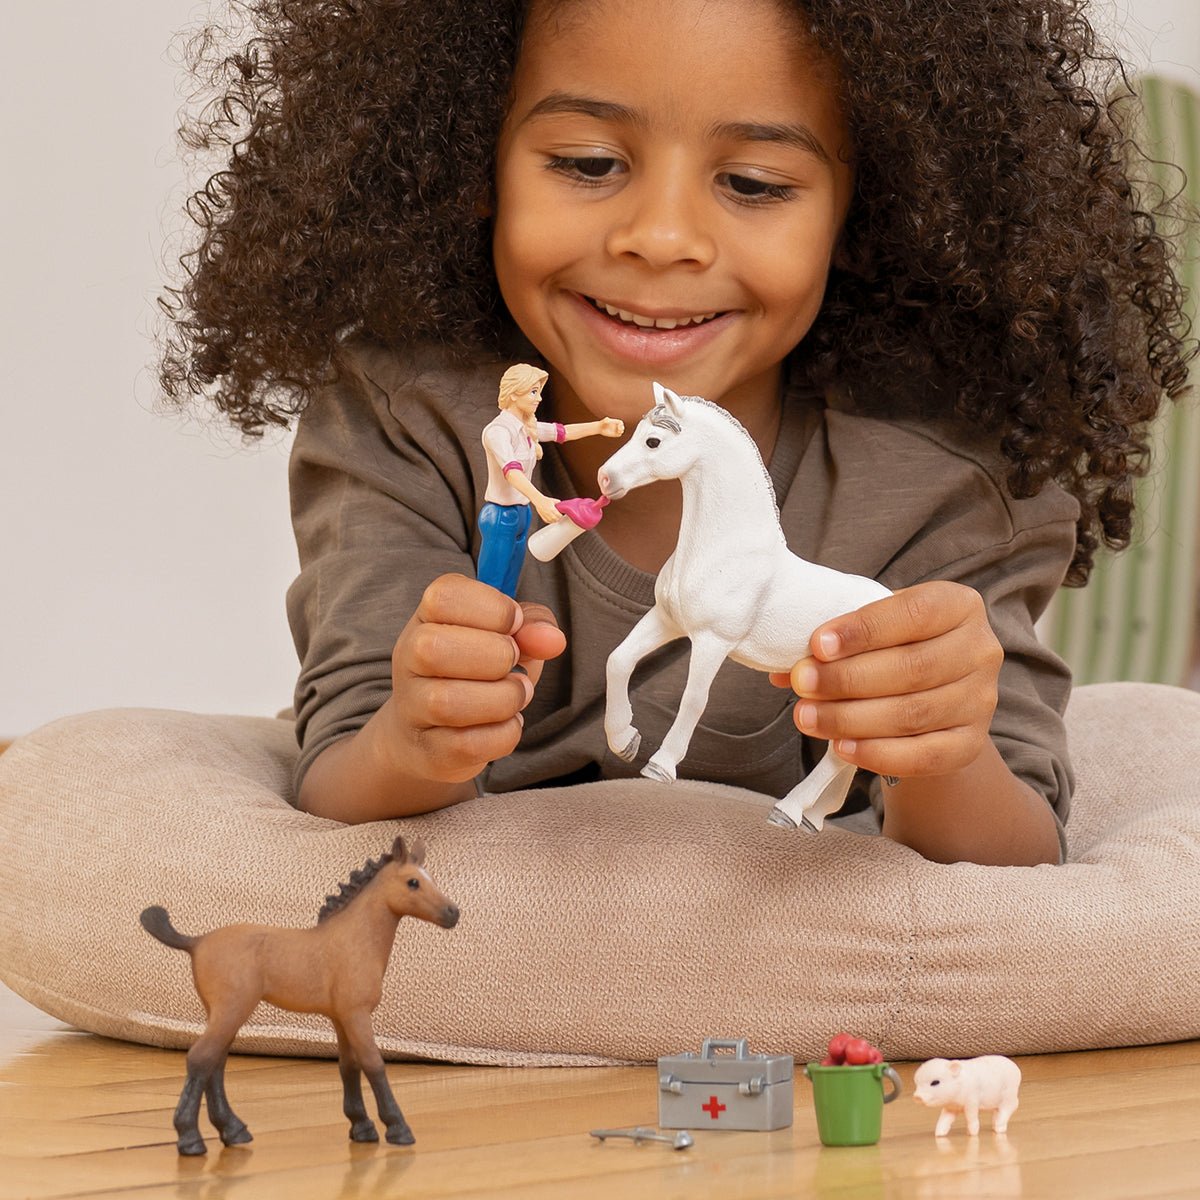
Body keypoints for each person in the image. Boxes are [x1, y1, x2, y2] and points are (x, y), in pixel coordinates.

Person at [158, 0, 1193, 867]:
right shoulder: (405, 419)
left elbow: (1014, 860)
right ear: (472, 161)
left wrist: (939, 746)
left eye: (754, 184)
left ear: (868, 211)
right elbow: (342, 782)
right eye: (587, 162)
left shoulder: (951, 475)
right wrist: (411, 737)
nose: (660, 239)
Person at [476, 362, 623, 597]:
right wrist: (540, 500)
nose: (539, 398)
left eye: (539, 391)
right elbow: (511, 471)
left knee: (510, 584)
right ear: (514, 394)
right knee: (490, 587)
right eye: (533, 392)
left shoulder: (527, 428)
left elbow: (562, 432)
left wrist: (599, 426)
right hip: (500, 516)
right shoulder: (498, 431)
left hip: (521, 514)